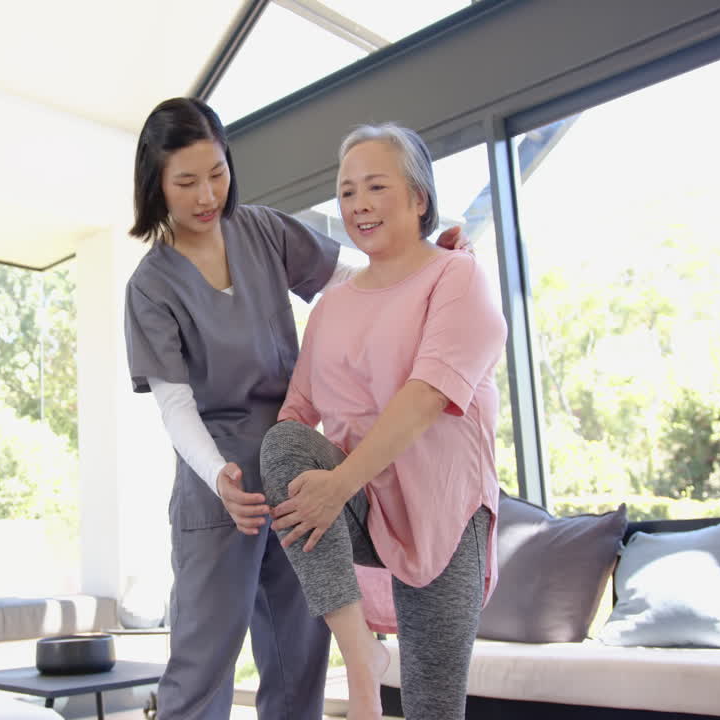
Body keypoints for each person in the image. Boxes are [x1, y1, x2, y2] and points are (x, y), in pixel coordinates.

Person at [123, 99, 466, 720]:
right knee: (203, 665)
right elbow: (174, 405)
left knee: (298, 659)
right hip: (222, 487)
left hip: (296, 473)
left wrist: (427, 261)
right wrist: (218, 478)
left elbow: (354, 279)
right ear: (156, 185)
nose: (207, 195)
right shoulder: (151, 285)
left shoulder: (261, 230)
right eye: (186, 182)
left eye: (217, 173)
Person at [260, 123, 507, 720]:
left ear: (419, 198)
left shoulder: (458, 277)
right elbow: (297, 415)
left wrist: (337, 485)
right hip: (364, 506)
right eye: (347, 192)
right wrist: (245, 482)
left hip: (445, 513)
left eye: (376, 187)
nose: (358, 205)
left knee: (431, 707)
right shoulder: (332, 306)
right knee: (283, 444)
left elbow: (427, 396)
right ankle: (360, 660)